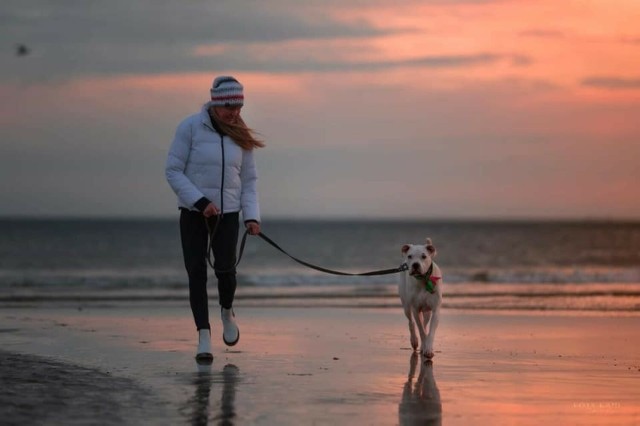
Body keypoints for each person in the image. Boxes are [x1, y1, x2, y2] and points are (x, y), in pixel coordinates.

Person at [165, 76, 265, 361]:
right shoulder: (190, 128)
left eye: (239, 106)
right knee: (196, 272)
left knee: (226, 271)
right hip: (194, 213)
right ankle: (203, 336)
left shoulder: (240, 135)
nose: (235, 112)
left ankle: (226, 311)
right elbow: (172, 170)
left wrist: (252, 217)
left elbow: (249, 181)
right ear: (216, 104)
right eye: (229, 106)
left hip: (230, 214)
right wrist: (200, 201)